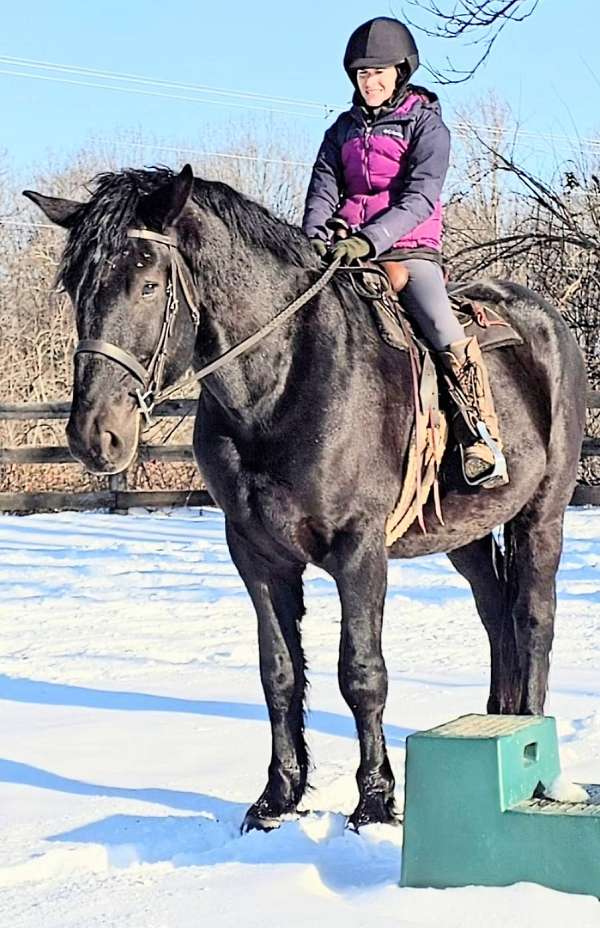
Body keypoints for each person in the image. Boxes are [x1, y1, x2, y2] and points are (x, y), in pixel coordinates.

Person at [302, 16, 508, 489]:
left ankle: (481, 437)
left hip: (408, 249)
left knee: (439, 322)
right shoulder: (341, 131)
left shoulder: (427, 127)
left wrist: (369, 239)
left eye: (378, 73)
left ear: (400, 72)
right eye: (361, 74)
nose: (369, 83)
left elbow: (419, 198)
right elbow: (322, 190)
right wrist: (315, 236)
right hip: (346, 250)